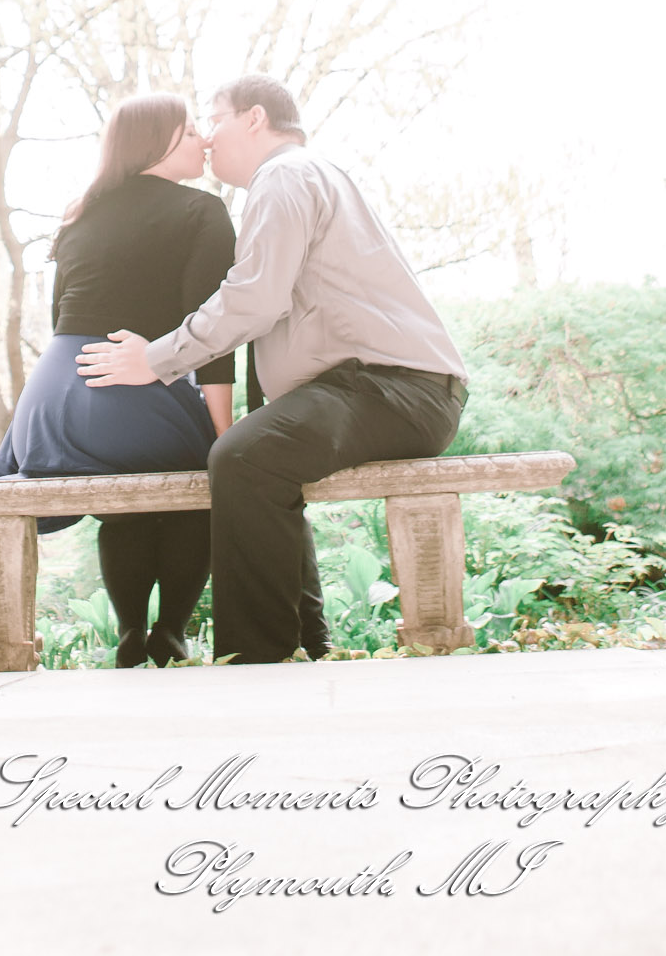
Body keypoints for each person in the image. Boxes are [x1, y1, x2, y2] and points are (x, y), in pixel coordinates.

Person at [76, 74, 467, 665]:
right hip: (385, 387)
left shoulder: (283, 176)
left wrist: (153, 359)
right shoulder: (303, 175)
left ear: (254, 118)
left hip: (392, 387)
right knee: (264, 458)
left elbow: (254, 300)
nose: (207, 136)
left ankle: (256, 656)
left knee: (243, 457)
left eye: (215, 117)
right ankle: (308, 640)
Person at [0, 92, 238, 667]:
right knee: (197, 486)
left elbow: (60, 319)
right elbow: (213, 336)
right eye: (190, 131)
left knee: (124, 498)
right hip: (129, 381)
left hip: (53, 399)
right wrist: (222, 437)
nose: (203, 140)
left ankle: (131, 632)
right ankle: (170, 631)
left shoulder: (79, 215)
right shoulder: (202, 211)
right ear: (157, 143)